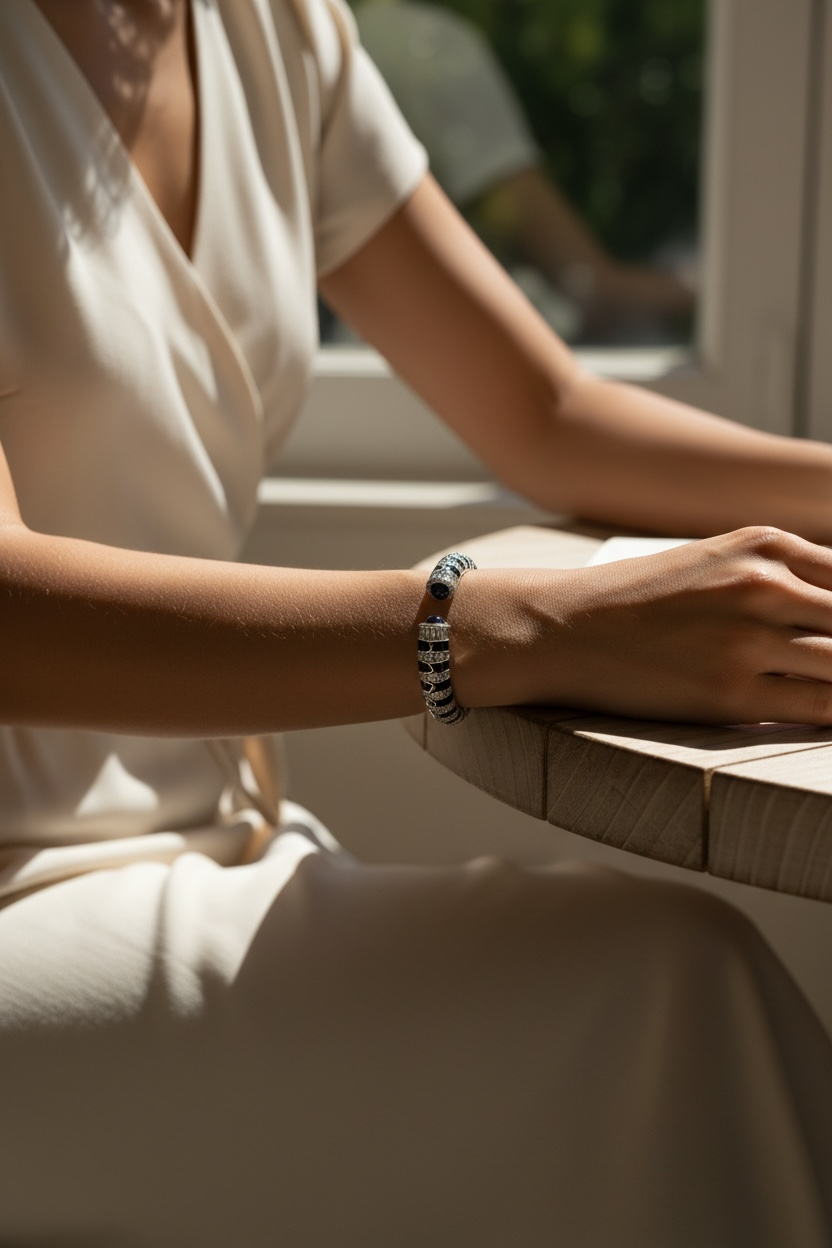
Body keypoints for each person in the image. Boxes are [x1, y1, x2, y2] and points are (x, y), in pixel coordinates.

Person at [1, 0, 832, 1244]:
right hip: (25, 900)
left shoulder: (268, 30)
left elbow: (543, 408)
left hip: (215, 838)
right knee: (676, 1006)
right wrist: (518, 627)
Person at [352, 0, 694, 341]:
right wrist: (711, 296)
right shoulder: (420, 43)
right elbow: (586, 283)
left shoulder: (337, 37)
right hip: (426, 360)